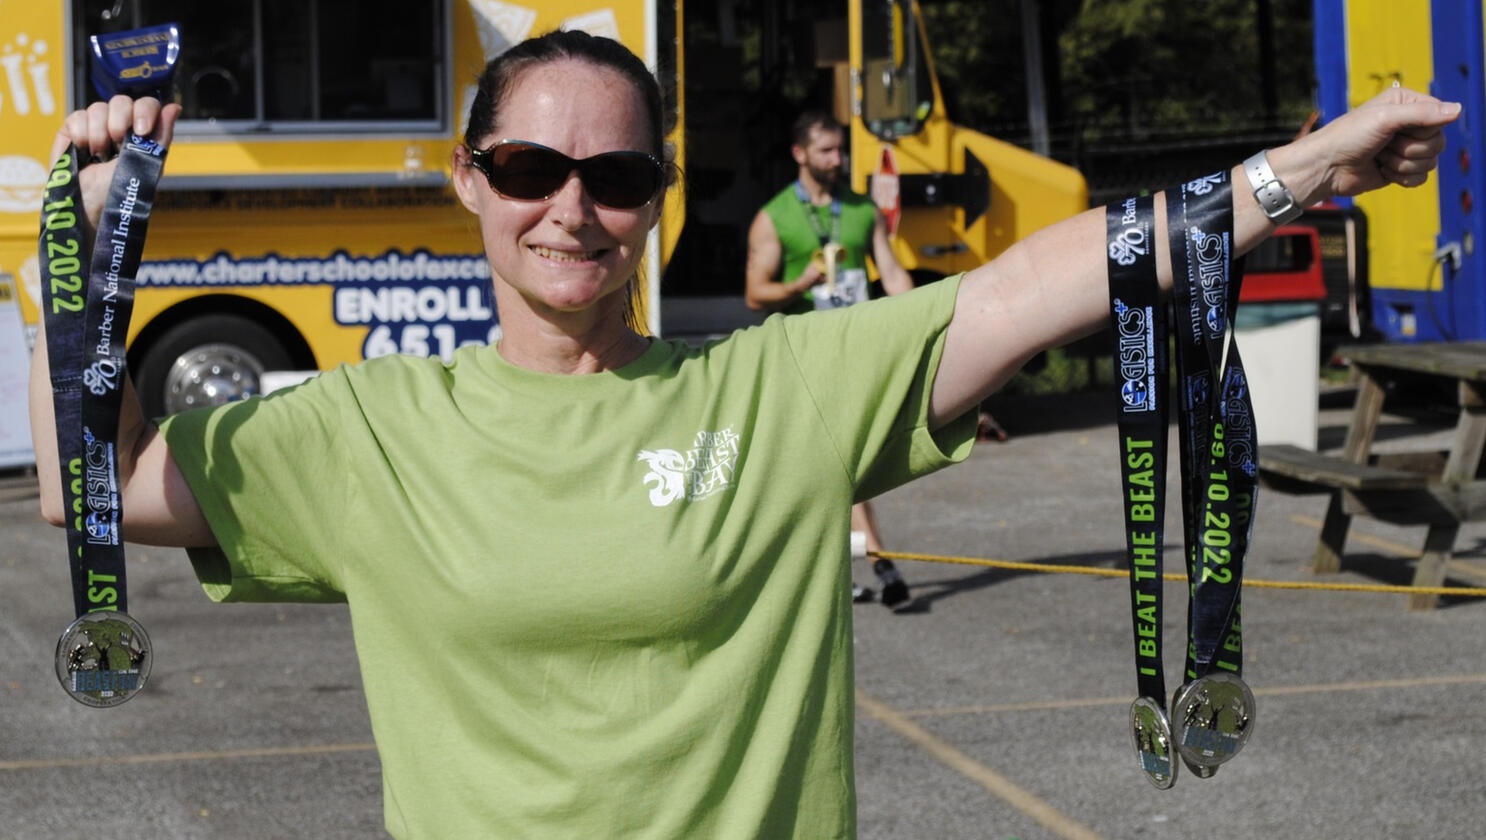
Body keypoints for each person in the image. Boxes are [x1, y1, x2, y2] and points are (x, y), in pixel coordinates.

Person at [29, 28, 1457, 840]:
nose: (569, 208)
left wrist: (1307, 164)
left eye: (617, 173)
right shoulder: (372, 434)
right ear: (470, 180)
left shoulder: (775, 393)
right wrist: (74, 247)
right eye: (530, 167)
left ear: (655, 195)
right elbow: (94, 496)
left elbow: (1041, 275)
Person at [743, 109, 917, 610]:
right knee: (833, 467)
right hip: (800, 359)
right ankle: (879, 564)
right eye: (826, 150)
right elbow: (755, 293)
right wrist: (800, 284)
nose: (837, 159)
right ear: (800, 154)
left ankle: (852, 569)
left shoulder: (862, 210)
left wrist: (918, 320)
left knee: (840, 466)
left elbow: (892, 272)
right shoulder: (774, 216)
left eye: (840, 150)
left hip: (855, 355)